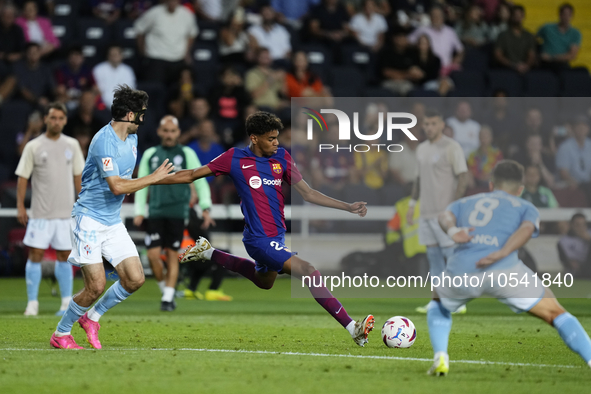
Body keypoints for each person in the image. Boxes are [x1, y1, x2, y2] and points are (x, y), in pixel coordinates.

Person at [162, 111, 376, 347]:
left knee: (264, 281)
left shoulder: (282, 157)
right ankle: (352, 327)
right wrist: (151, 180)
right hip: (258, 239)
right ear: (254, 138)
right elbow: (192, 174)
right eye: (271, 138)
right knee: (308, 270)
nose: (277, 143)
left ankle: (209, 252)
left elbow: (308, 193)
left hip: (277, 236)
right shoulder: (235, 158)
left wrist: (347, 206)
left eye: (277, 137)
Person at [429, 160, 591, 375]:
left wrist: (452, 231)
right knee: (555, 312)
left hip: (464, 270)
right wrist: (502, 252)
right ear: (520, 189)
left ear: (491, 185)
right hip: (505, 271)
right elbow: (526, 229)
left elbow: (444, 216)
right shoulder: (526, 206)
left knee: (438, 303)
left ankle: (441, 357)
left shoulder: (467, 201)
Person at [50, 85, 176, 350]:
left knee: (135, 279)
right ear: (130, 115)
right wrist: (154, 178)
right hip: (89, 219)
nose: (143, 119)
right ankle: (61, 334)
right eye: (141, 114)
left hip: (111, 221)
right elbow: (117, 186)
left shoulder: (131, 139)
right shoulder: (103, 141)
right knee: (95, 286)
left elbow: (128, 181)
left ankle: (92, 318)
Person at [134, 115, 214, 311]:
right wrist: (139, 211)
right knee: (152, 255)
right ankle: (166, 291)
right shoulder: (151, 154)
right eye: (166, 131)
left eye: (172, 131)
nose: (169, 135)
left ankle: (167, 299)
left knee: (172, 254)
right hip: (155, 211)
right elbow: (142, 183)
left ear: (178, 133)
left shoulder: (186, 153)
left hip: (178, 212)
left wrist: (205, 207)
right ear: (159, 132)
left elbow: (201, 180)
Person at [15, 102, 85, 316]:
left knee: (65, 255)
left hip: (65, 213)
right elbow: (22, 177)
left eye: (61, 118)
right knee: (35, 254)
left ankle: (65, 303)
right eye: (53, 118)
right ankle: (32, 303)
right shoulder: (33, 146)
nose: (57, 122)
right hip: (40, 213)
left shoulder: (72, 145)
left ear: (65, 120)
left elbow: (78, 178)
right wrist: (20, 206)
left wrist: (81, 206)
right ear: (45, 119)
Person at [407, 108, 469, 314]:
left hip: (444, 214)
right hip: (426, 213)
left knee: (451, 257)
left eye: (433, 123)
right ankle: (436, 301)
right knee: (434, 260)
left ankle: (457, 301)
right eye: (426, 124)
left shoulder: (452, 147)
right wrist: (411, 205)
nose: (429, 128)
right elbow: (418, 180)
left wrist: (455, 207)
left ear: (442, 125)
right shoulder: (422, 148)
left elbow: (463, 176)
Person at [134, 0, 198, 84]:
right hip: (156, 59)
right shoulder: (154, 13)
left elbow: (192, 34)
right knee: (155, 90)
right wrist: (142, 51)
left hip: (178, 59)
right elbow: (139, 29)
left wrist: (186, 52)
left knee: (174, 90)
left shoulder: (187, 14)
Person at [408, 6, 464, 76]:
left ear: (443, 17)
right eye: (434, 16)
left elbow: (460, 49)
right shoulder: (422, 30)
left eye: (439, 15)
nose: (437, 18)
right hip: (429, 69)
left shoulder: (450, 31)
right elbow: (407, 42)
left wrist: (457, 59)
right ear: (430, 17)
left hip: (448, 68)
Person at [555, 115, 591, 203]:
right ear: (573, 129)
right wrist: (575, 183)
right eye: (578, 126)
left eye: (584, 126)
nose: (581, 129)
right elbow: (563, 172)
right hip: (572, 184)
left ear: (588, 129)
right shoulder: (565, 147)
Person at [537, 3, 581, 71]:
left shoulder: (575, 33)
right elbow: (532, 39)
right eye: (564, 14)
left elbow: (572, 55)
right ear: (560, 15)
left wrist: (552, 58)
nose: (566, 17)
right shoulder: (547, 28)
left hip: (562, 64)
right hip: (544, 63)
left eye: (568, 15)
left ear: (572, 16)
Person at [494, 5, 535, 74]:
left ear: (523, 16)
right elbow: (498, 54)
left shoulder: (528, 36)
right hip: (507, 70)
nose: (517, 17)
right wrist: (513, 65)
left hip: (525, 70)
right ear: (511, 17)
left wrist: (526, 66)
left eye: (519, 15)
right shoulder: (503, 35)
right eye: (515, 15)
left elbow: (531, 55)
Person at [92, 45, 137, 109]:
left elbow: (131, 90)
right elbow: (96, 90)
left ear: (122, 55)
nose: (115, 56)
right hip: (102, 106)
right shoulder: (99, 69)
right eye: (112, 54)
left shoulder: (128, 70)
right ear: (108, 55)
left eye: (117, 54)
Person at [558, 213, 591, 278]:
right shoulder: (564, 241)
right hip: (575, 272)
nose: (580, 227)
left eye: (583, 224)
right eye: (577, 225)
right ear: (571, 225)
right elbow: (567, 261)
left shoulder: (589, 235)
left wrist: (588, 239)